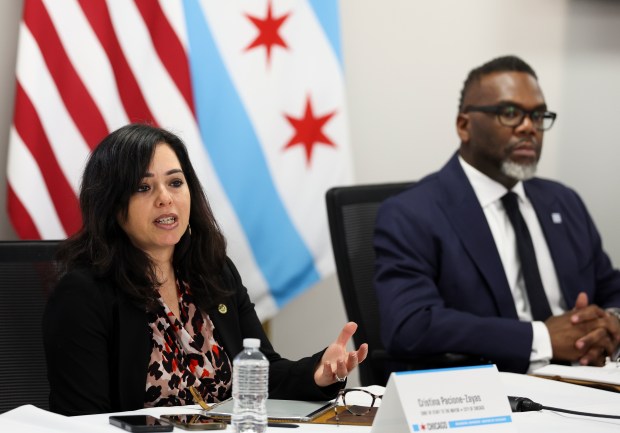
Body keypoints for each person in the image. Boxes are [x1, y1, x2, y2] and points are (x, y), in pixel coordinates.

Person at [43, 123, 368, 416]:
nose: (165, 198)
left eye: (175, 182)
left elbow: (264, 373)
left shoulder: (213, 270)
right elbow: (83, 421)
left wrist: (319, 371)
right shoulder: (83, 294)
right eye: (144, 187)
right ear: (112, 204)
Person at [374, 55, 620, 374]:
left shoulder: (562, 201)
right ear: (464, 126)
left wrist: (611, 322)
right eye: (510, 113)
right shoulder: (411, 213)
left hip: (589, 379)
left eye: (538, 115)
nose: (529, 127)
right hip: (494, 393)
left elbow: (610, 287)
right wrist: (542, 338)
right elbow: (410, 324)